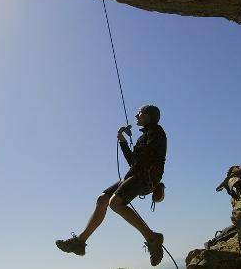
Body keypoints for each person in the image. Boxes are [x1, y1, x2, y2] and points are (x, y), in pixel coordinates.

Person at [55, 105, 167, 266]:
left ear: (148, 116)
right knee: (102, 200)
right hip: (136, 175)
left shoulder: (156, 132)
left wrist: (134, 161)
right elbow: (134, 162)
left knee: (115, 203)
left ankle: (151, 237)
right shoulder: (145, 136)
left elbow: (145, 160)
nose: (136, 115)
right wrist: (122, 140)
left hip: (145, 178)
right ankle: (80, 242)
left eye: (140, 113)